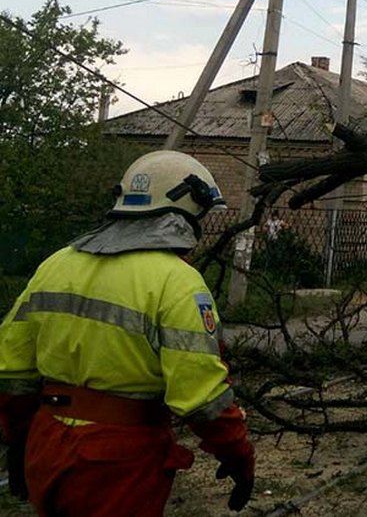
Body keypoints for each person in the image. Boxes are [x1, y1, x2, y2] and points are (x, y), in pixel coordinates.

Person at [0, 151, 256, 515]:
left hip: (48, 443)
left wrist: (19, 441)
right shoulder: (177, 282)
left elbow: (11, 370)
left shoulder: (55, 265)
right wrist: (238, 454)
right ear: (187, 210)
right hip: (121, 458)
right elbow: (201, 396)